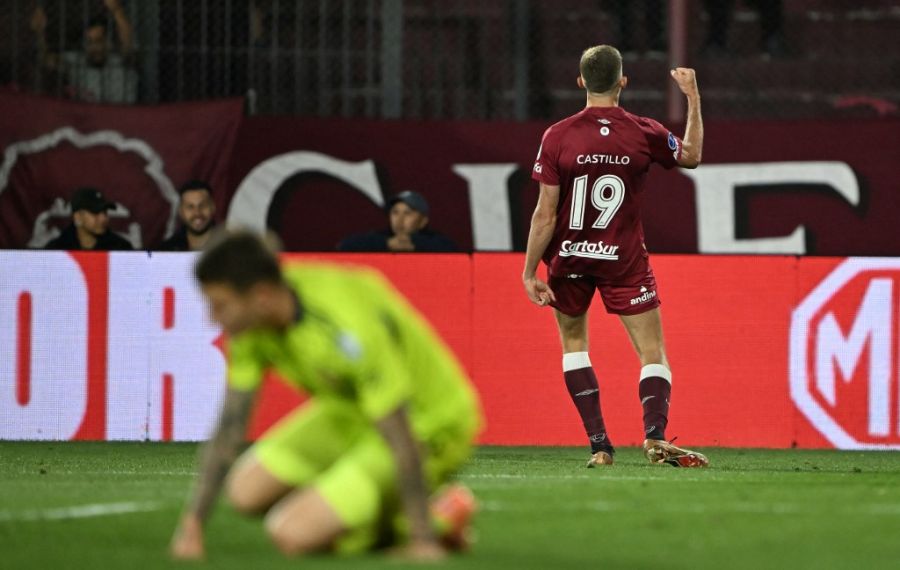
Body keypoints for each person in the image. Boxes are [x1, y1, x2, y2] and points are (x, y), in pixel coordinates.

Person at [169, 232, 482, 561]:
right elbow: (230, 429)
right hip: (352, 413)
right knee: (244, 493)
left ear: (260, 296)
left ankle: (437, 517)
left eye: (220, 305)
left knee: (291, 534)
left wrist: (423, 540)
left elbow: (400, 432)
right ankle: (361, 510)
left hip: (427, 423)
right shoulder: (252, 326)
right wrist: (193, 523)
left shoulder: (345, 326)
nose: (212, 319)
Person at [522, 45, 708, 469]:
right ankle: (655, 435)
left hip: (569, 257)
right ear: (624, 81)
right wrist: (693, 98)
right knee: (652, 352)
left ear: (581, 81)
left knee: (573, 344)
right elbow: (692, 156)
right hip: (622, 258)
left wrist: (530, 269)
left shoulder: (557, 135)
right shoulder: (643, 131)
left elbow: (545, 213)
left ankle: (600, 446)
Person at [30, 0, 138, 103]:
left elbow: (128, 43)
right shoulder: (77, 61)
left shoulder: (118, 60)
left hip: (121, 115)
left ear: (108, 43)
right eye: (89, 42)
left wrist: (116, 10)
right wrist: (39, 33)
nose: (94, 47)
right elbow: (47, 60)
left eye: (98, 41)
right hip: (88, 116)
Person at [338, 191, 457, 253]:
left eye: (408, 213)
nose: (400, 219)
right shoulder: (380, 238)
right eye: (395, 212)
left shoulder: (434, 240)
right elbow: (345, 246)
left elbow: (451, 250)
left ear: (423, 221)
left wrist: (414, 243)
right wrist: (386, 244)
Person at [44, 187, 133, 251]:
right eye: (95, 212)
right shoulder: (55, 250)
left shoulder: (121, 248)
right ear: (78, 216)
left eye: (105, 212)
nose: (103, 218)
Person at [158, 180, 217, 251]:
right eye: (190, 207)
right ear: (180, 211)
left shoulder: (229, 247)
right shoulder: (166, 251)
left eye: (202, 205)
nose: (197, 213)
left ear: (213, 207)